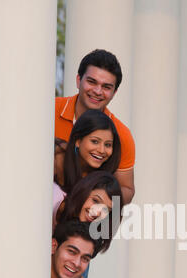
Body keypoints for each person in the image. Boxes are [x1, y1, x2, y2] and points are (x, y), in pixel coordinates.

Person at [55, 49, 135, 204]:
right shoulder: (49, 110)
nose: (98, 91)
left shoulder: (121, 134)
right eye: (91, 82)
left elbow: (127, 188)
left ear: (114, 92)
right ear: (79, 80)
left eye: (106, 87)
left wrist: (96, 203)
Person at [54, 109, 121, 196]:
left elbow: (116, 205)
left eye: (108, 145)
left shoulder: (107, 176)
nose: (101, 150)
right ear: (78, 141)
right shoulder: (54, 159)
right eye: (95, 141)